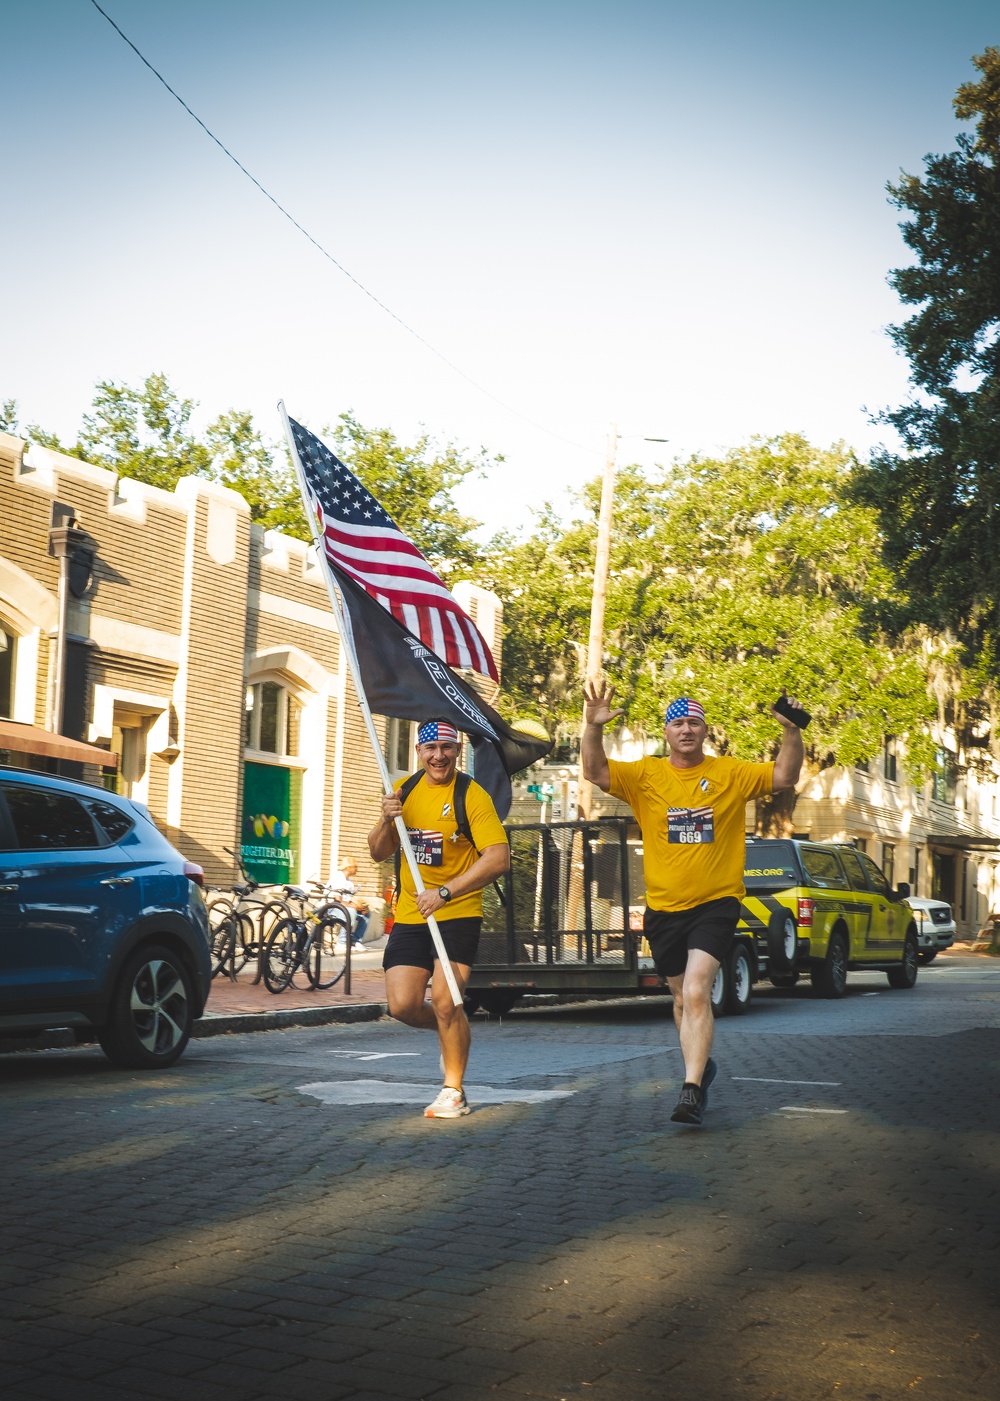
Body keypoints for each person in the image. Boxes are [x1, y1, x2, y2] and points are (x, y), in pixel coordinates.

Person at [582, 681, 805, 1125]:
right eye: (678, 722)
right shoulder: (645, 775)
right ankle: (700, 1070)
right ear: (666, 731)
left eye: (694, 723)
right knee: (681, 999)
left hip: (716, 902)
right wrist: (592, 727)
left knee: (697, 989)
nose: (686, 729)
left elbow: (784, 776)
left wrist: (791, 731)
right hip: (663, 909)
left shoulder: (730, 773)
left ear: (706, 731)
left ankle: (690, 1091)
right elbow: (594, 771)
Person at [368, 719, 510, 1119]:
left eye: (446, 748)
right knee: (402, 1005)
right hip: (412, 913)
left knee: (446, 1001)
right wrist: (385, 818)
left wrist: (446, 892)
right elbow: (379, 852)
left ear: (457, 750)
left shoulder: (471, 795)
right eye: (430, 749)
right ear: (418, 752)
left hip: (456, 912)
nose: (438, 756)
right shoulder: (405, 791)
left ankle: (453, 1089)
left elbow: (499, 858)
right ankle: (454, 1032)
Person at [326, 857, 370, 951]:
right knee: (350, 912)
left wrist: (360, 906)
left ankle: (355, 940)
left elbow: (348, 899)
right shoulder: (338, 877)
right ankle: (341, 942)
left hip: (342, 906)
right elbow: (337, 899)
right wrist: (354, 906)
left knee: (365, 914)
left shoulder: (349, 881)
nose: (357, 869)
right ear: (349, 867)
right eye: (355, 867)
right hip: (332, 907)